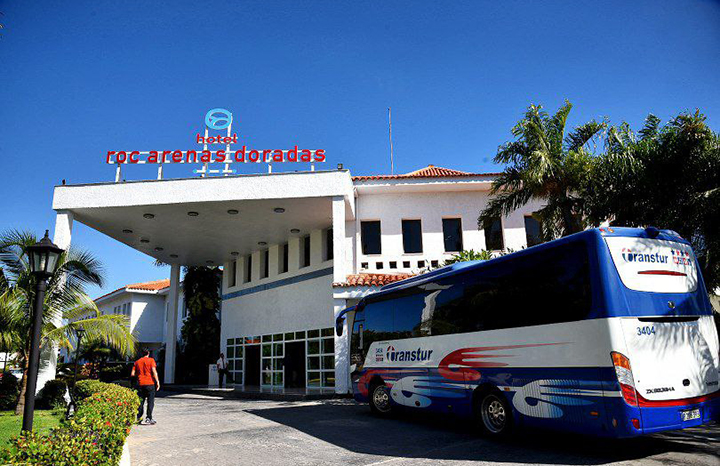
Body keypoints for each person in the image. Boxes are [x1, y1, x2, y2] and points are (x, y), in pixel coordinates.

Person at [131, 347, 160, 425]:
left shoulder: (137, 362)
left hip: (140, 384)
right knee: (150, 401)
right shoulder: (151, 360)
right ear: (148, 353)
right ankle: (149, 417)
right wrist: (157, 382)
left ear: (141, 353)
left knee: (141, 402)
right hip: (150, 383)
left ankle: (139, 418)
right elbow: (154, 371)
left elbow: (132, 374)